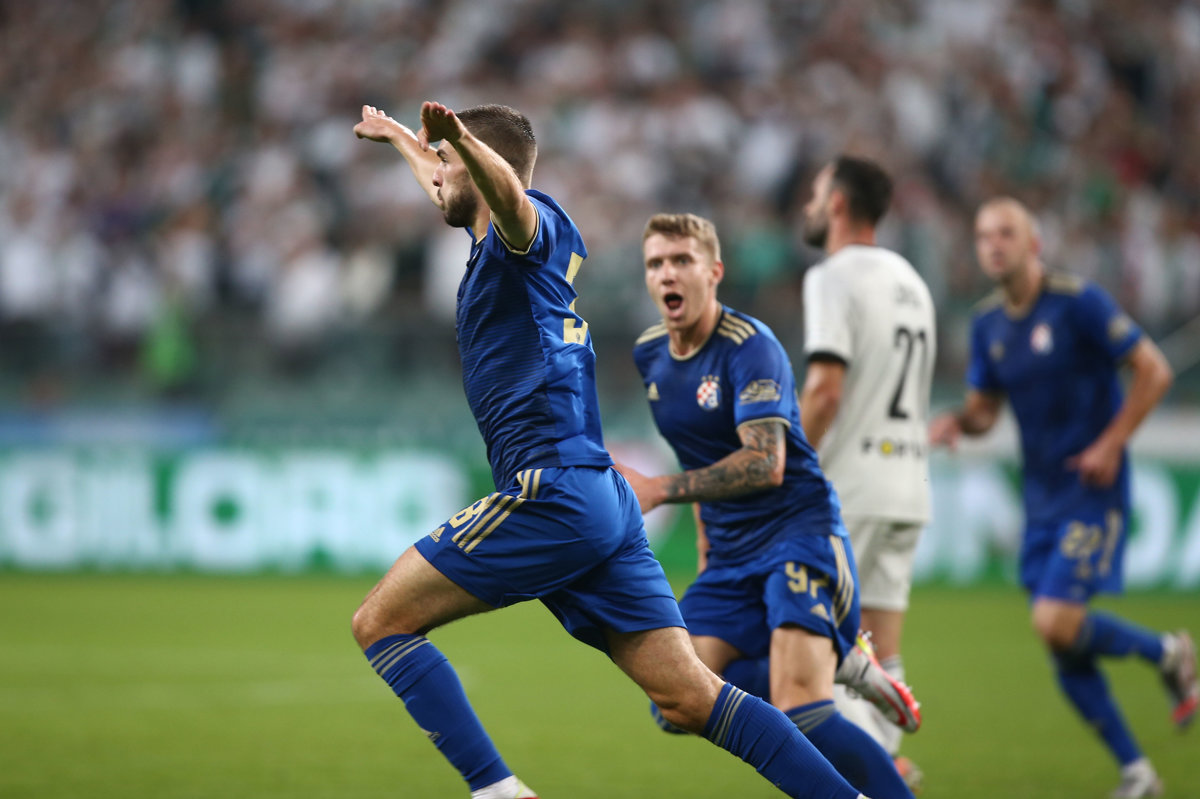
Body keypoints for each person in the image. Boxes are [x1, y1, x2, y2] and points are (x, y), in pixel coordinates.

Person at [350, 101, 873, 799]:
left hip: (550, 490)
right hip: (600, 500)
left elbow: (504, 195)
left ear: (482, 163)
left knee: (380, 622)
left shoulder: (525, 232)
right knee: (692, 698)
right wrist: (401, 140)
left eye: (445, 163)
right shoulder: (504, 246)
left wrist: (461, 140)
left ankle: (499, 792)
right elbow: (459, 187)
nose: (436, 177)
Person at [616, 212, 916, 799]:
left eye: (682, 261)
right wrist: (707, 553)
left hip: (797, 535)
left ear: (714, 272)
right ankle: (839, 663)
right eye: (656, 263)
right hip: (730, 556)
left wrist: (659, 489)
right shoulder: (650, 354)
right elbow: (697, 452)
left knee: (805, 709)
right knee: (675, 700)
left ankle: (831, 682)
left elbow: (765, 462)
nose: (667, 274)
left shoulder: (750, 347)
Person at [930, 197, 1197, 799]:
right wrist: (957, 422)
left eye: (1006, 233)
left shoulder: (1079, 303)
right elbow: (984, 412)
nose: (993, 244)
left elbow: (1153, 370)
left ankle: (1167, 652)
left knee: (1054, 620)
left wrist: (1110, 444)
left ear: (1034, 243)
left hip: (1092, 489)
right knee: (1061, 643)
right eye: (984, 235)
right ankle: (1138, 772)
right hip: (1041, 497)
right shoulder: (987, 324)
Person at [797, 156, 935, 790]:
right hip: (909, 487)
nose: (808, 203)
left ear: (838, 204)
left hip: (849, 488)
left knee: (817, 659)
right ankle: (891, 765)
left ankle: (882, 778)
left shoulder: (833, 276)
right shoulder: (912, 280)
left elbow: (826, 389)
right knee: (883, 652)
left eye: (816, 192)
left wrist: (786, 462)